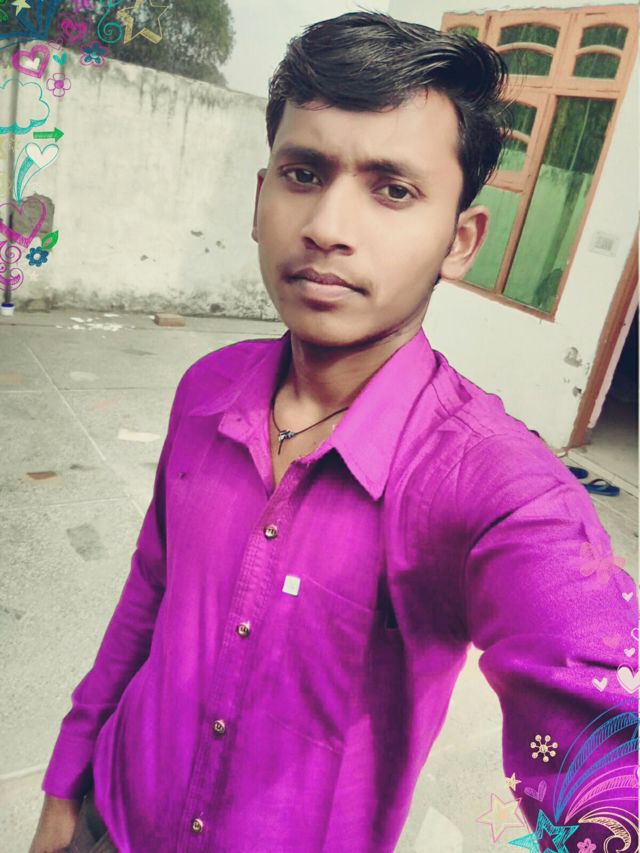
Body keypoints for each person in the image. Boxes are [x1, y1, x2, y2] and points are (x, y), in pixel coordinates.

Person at [31, 10, 638, 853]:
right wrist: (67, 782)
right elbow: (148, 594)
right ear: (261, 199)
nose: (326, 225)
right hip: (116, 820)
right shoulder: (206, 389)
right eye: (304, 172)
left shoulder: (498, 487)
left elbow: (610, 745)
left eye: (393, 189)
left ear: (460, 240)